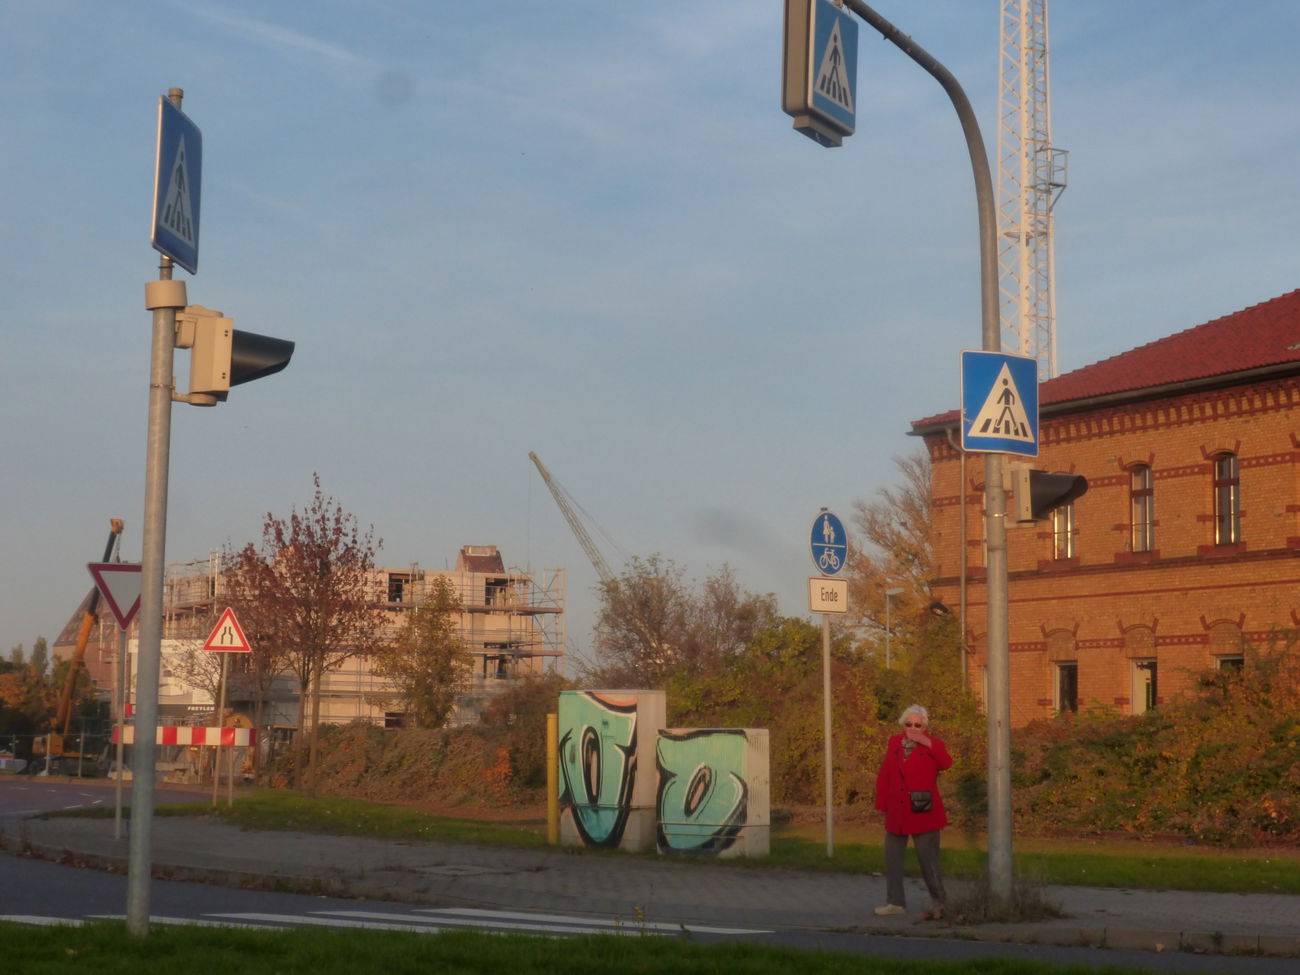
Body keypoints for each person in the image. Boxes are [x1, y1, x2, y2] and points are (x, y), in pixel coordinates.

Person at [872, 703, 952, 920]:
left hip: (923, 809)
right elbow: (886, 773)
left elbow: (946, 763)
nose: (913, 728)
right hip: (897, 809)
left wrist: (927, 743)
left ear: (925, 726)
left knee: (928, 860)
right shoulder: (894, 742)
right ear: (903, 724)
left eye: (918, 725)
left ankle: (941, 903)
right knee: (892, 857)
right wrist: (881, 804)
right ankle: (895, 902)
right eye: (909, 724)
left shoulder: (933, 744)